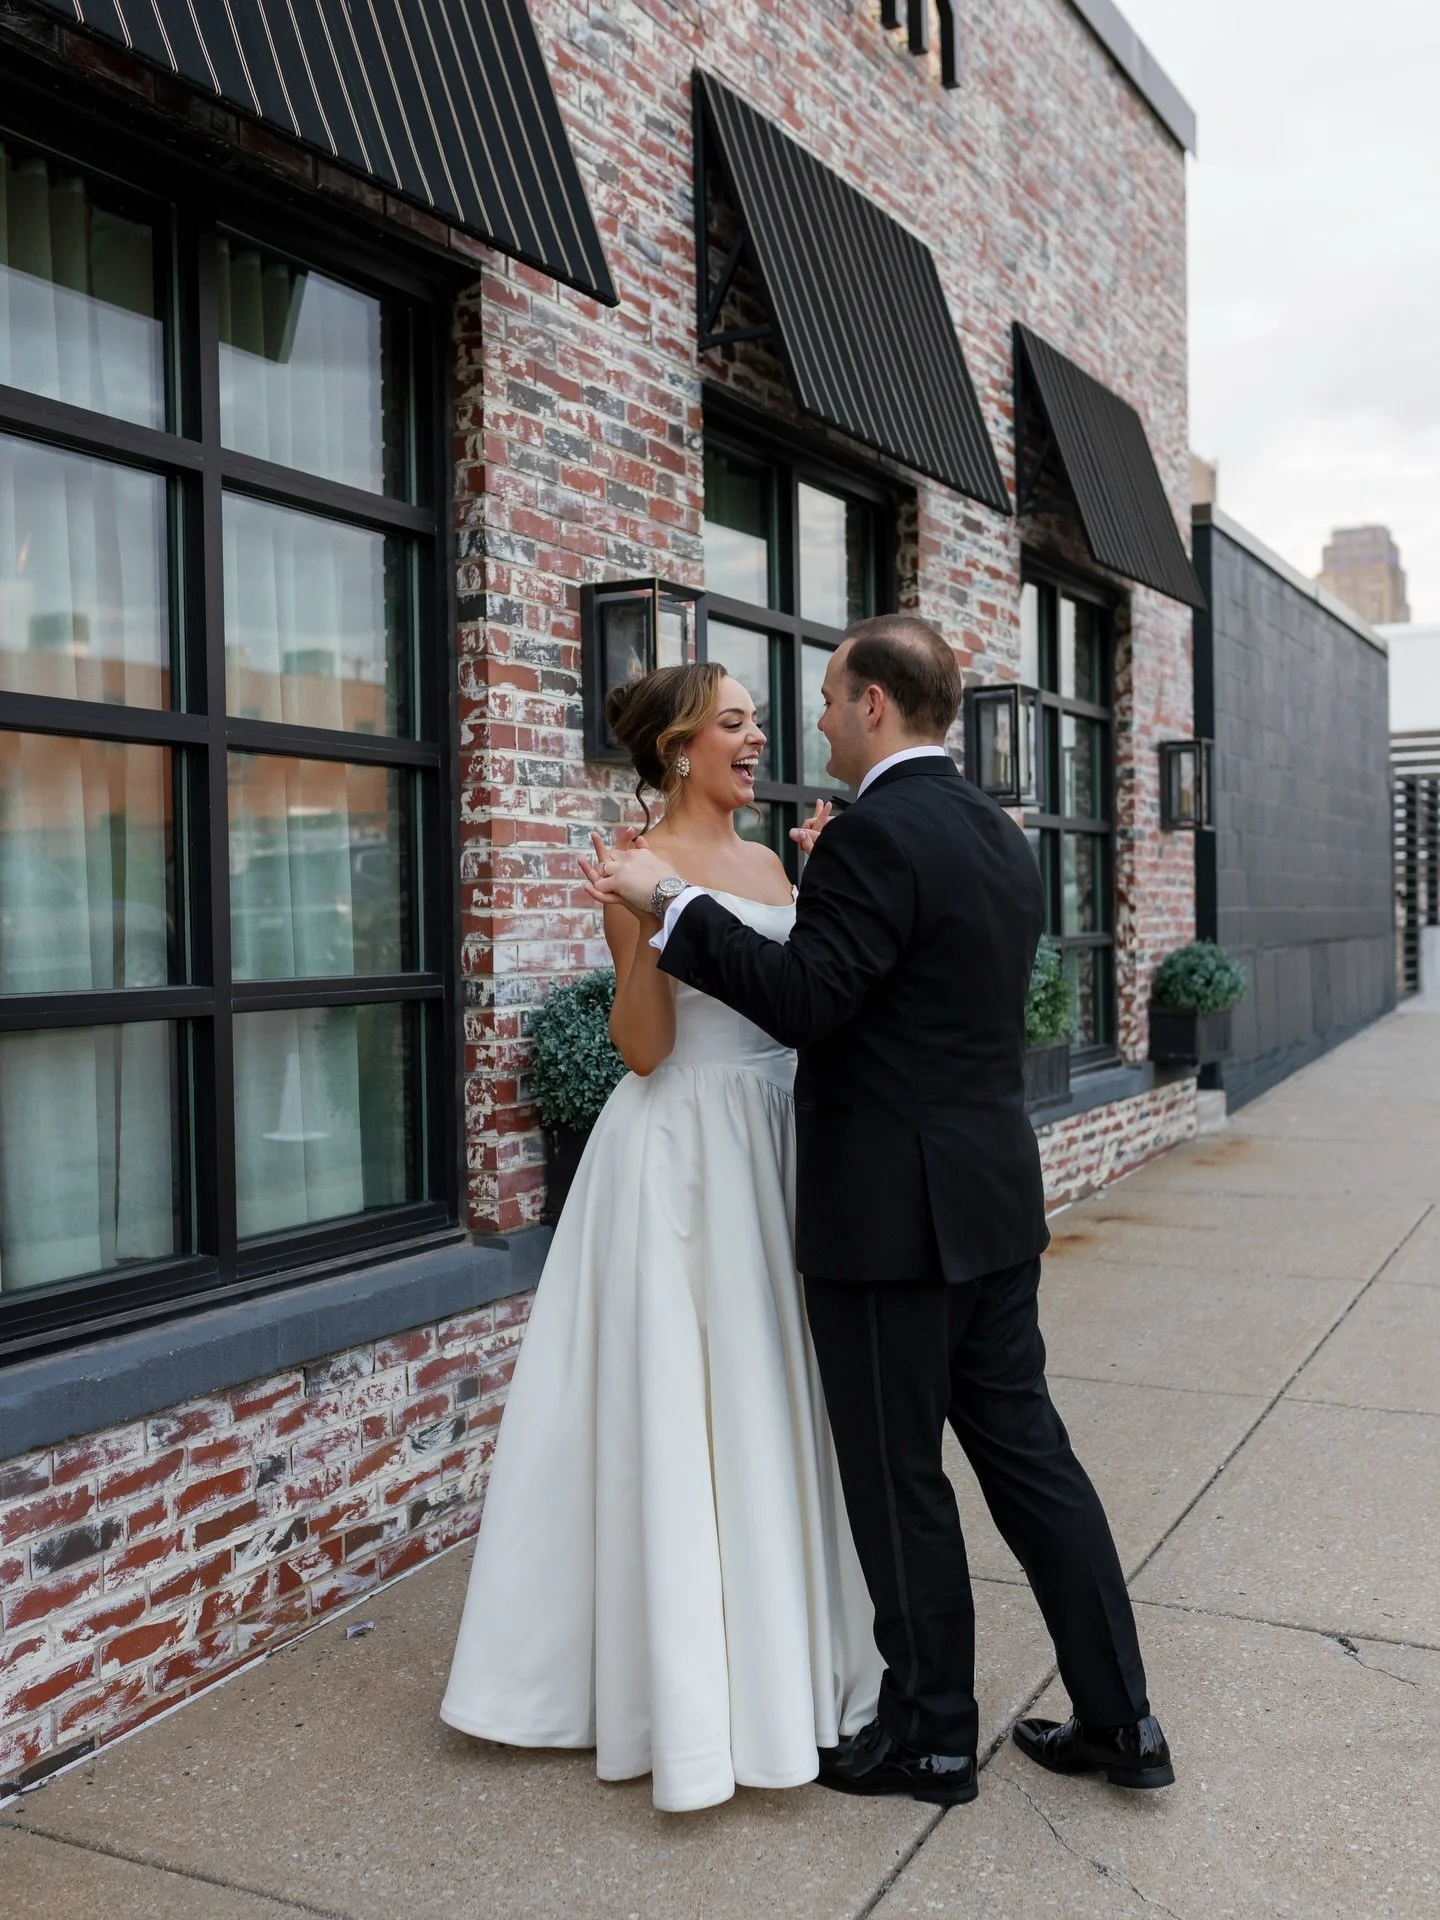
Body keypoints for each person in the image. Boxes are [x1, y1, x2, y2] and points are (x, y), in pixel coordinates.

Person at [584, 615, 1174, 1805]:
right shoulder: (995, 834)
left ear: (872, 708)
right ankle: (1125, 1720)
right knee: (1032, 1464)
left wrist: (676, 909)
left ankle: (933, 1739)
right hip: (993, 1203)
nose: (806, 722)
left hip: (885, 1222)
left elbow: (807, 1001)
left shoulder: (870, 839)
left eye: (822, 698)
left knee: (901, 1478)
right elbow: (910, 991)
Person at [440, 661, 882, 1813]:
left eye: (757, 721)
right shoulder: (639, 865)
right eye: (734, 723)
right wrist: (638, 923)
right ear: (680, 749)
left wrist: (824, 886)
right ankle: (694, 1701)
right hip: (689, 1147)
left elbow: (804, 996)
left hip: (780, 1138)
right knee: (702, 1396)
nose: (759, 737)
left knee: (778, 1395)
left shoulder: (775, 858)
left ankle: (793, 1661)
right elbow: (641, 1047)